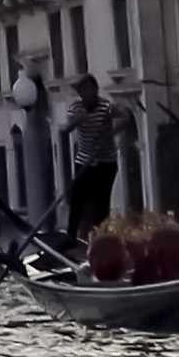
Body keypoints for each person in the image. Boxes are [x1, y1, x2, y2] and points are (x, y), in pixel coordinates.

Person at [59, 76, 124, 246]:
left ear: (96, 90)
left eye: (92, 89)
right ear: (80, 94)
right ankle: (71, 235)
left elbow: (124, 116)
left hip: (106, 162)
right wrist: (77, 121)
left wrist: (116, 126)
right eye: (85, 91)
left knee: (102, 201)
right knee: (77, 198)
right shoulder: (76, 108)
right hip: (84, 160)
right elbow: (66, 129)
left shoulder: (106, 107)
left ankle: (101, 238)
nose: (89, 93)